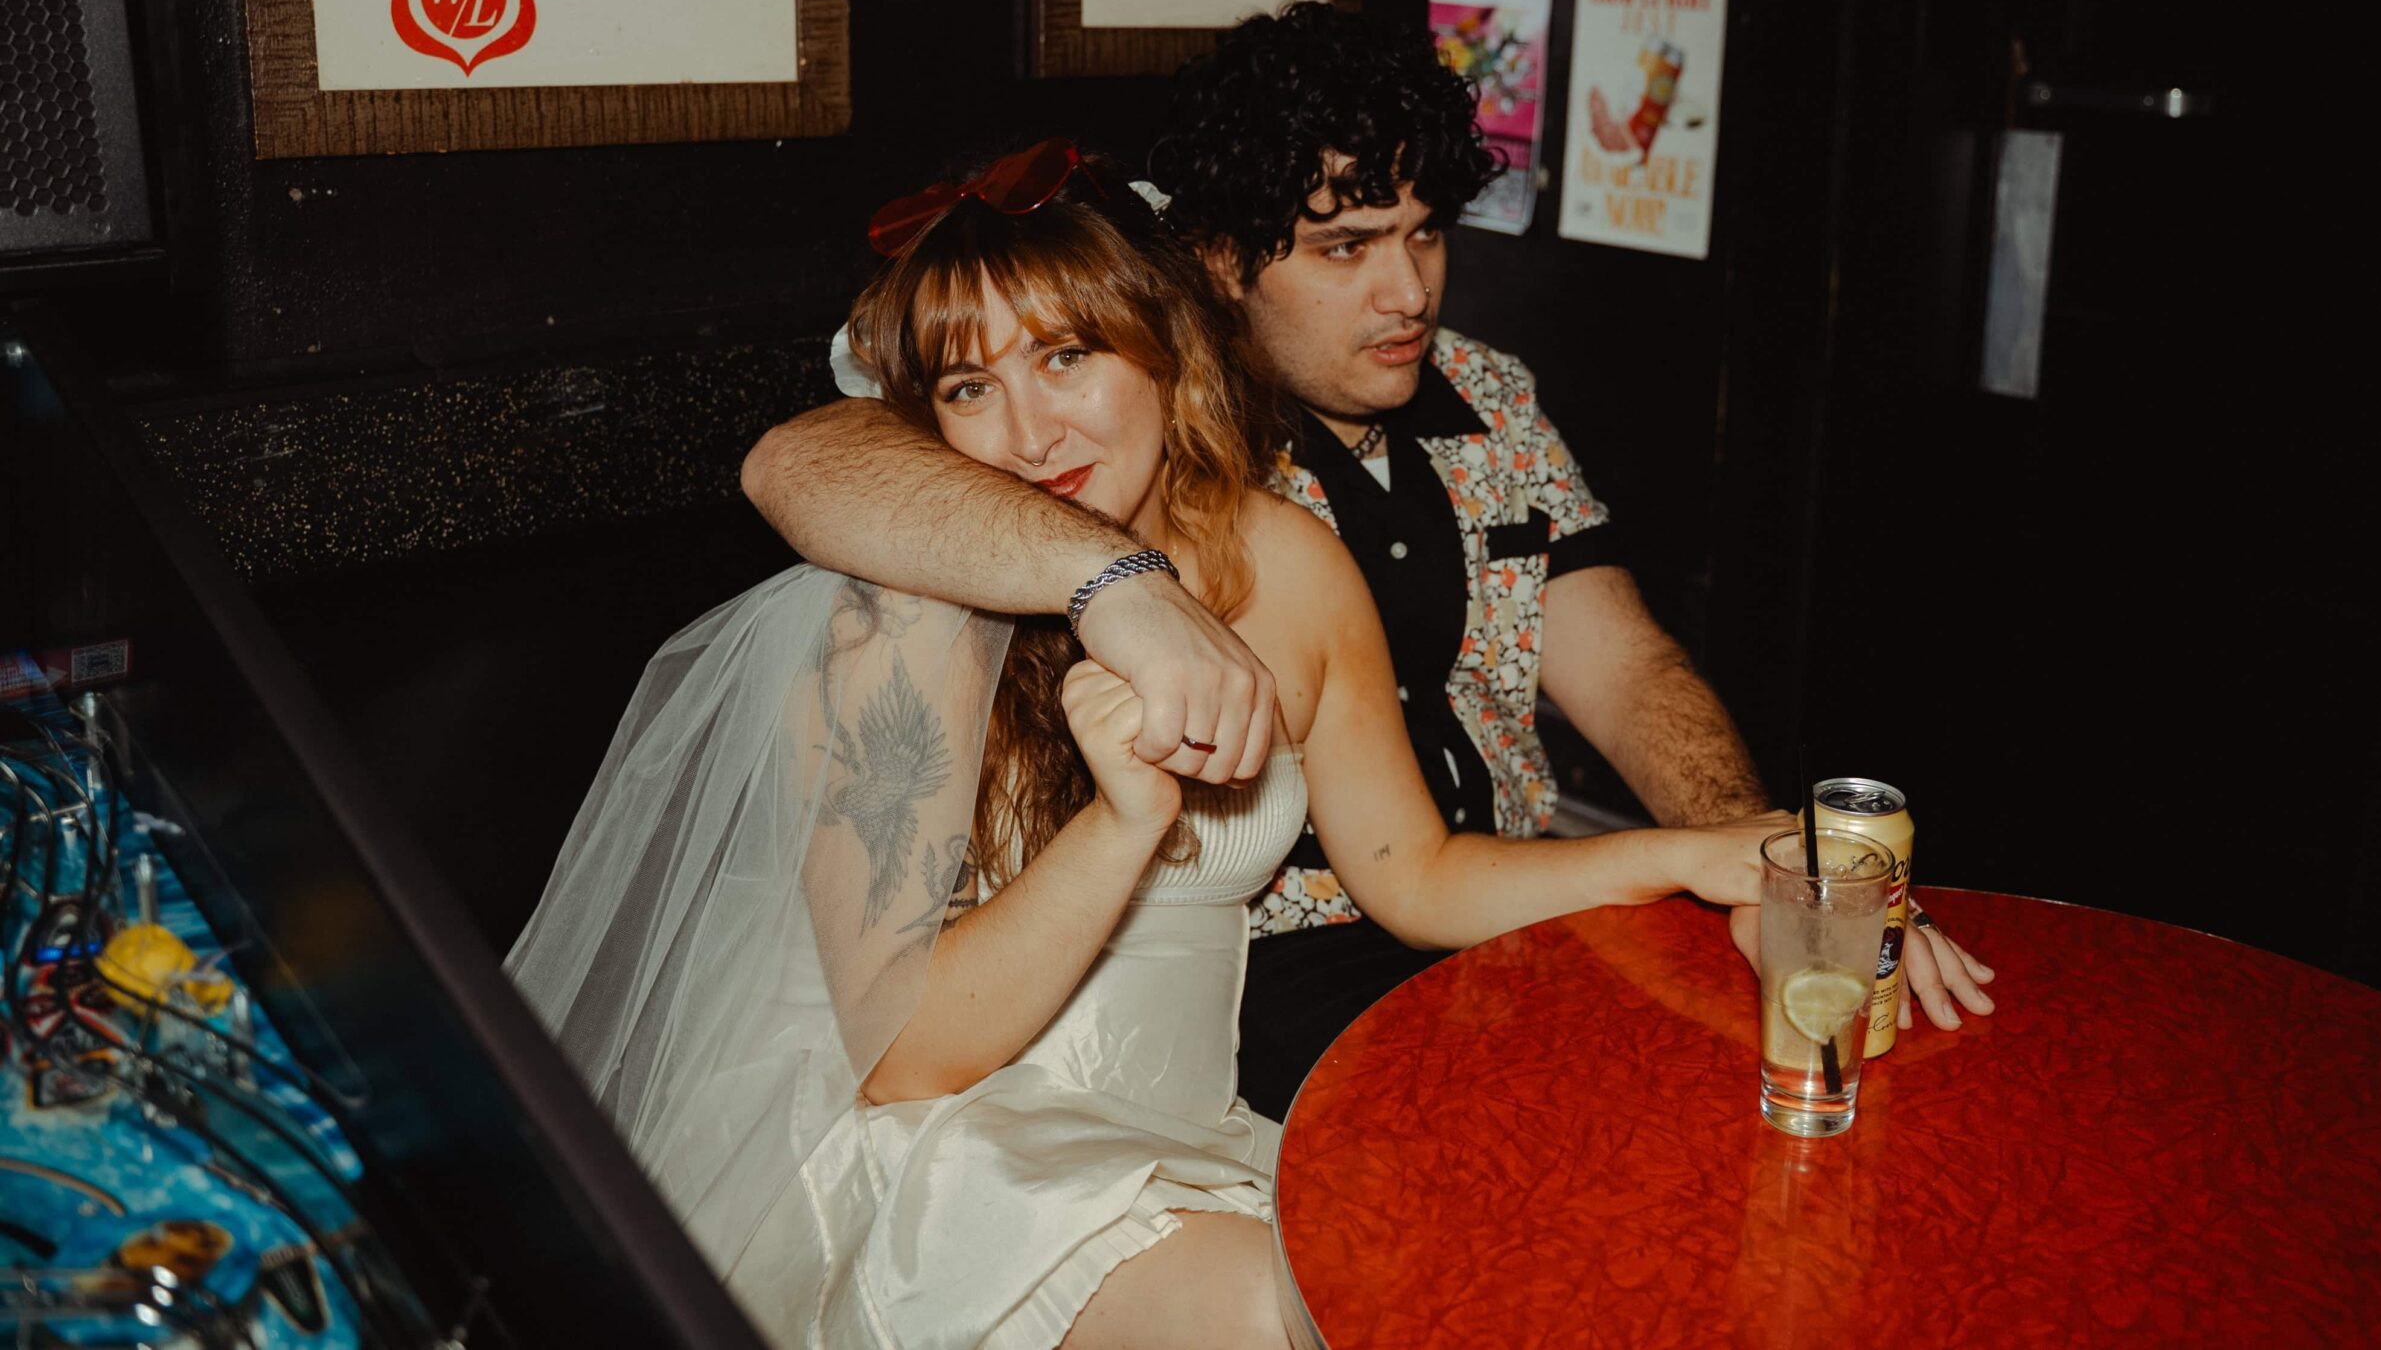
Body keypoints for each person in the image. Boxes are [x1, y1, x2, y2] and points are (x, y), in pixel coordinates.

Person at [511, 151, 1796, 1348]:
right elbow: (905, 1059)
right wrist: (1121, 823)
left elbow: (1415, 873)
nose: (1029, 434)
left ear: (1166, 354)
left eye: (1066, 358)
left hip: (1182, 1133)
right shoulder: (896, 631)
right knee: (1275, 1311)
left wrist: (1684, 855)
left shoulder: (1285, 563)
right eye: (969, 388)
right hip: (955, 1153)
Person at [741, 5, 1995, 1111]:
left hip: (1511, 894)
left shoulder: (1487, 403)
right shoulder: (1132, 455)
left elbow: (1628, 673)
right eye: (1345, 246)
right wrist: (1117, 583)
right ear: (1218, 264)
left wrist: (1763, 874)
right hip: (1275, 968)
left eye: (1427, 234)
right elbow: (806, 461)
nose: (1408, 292)